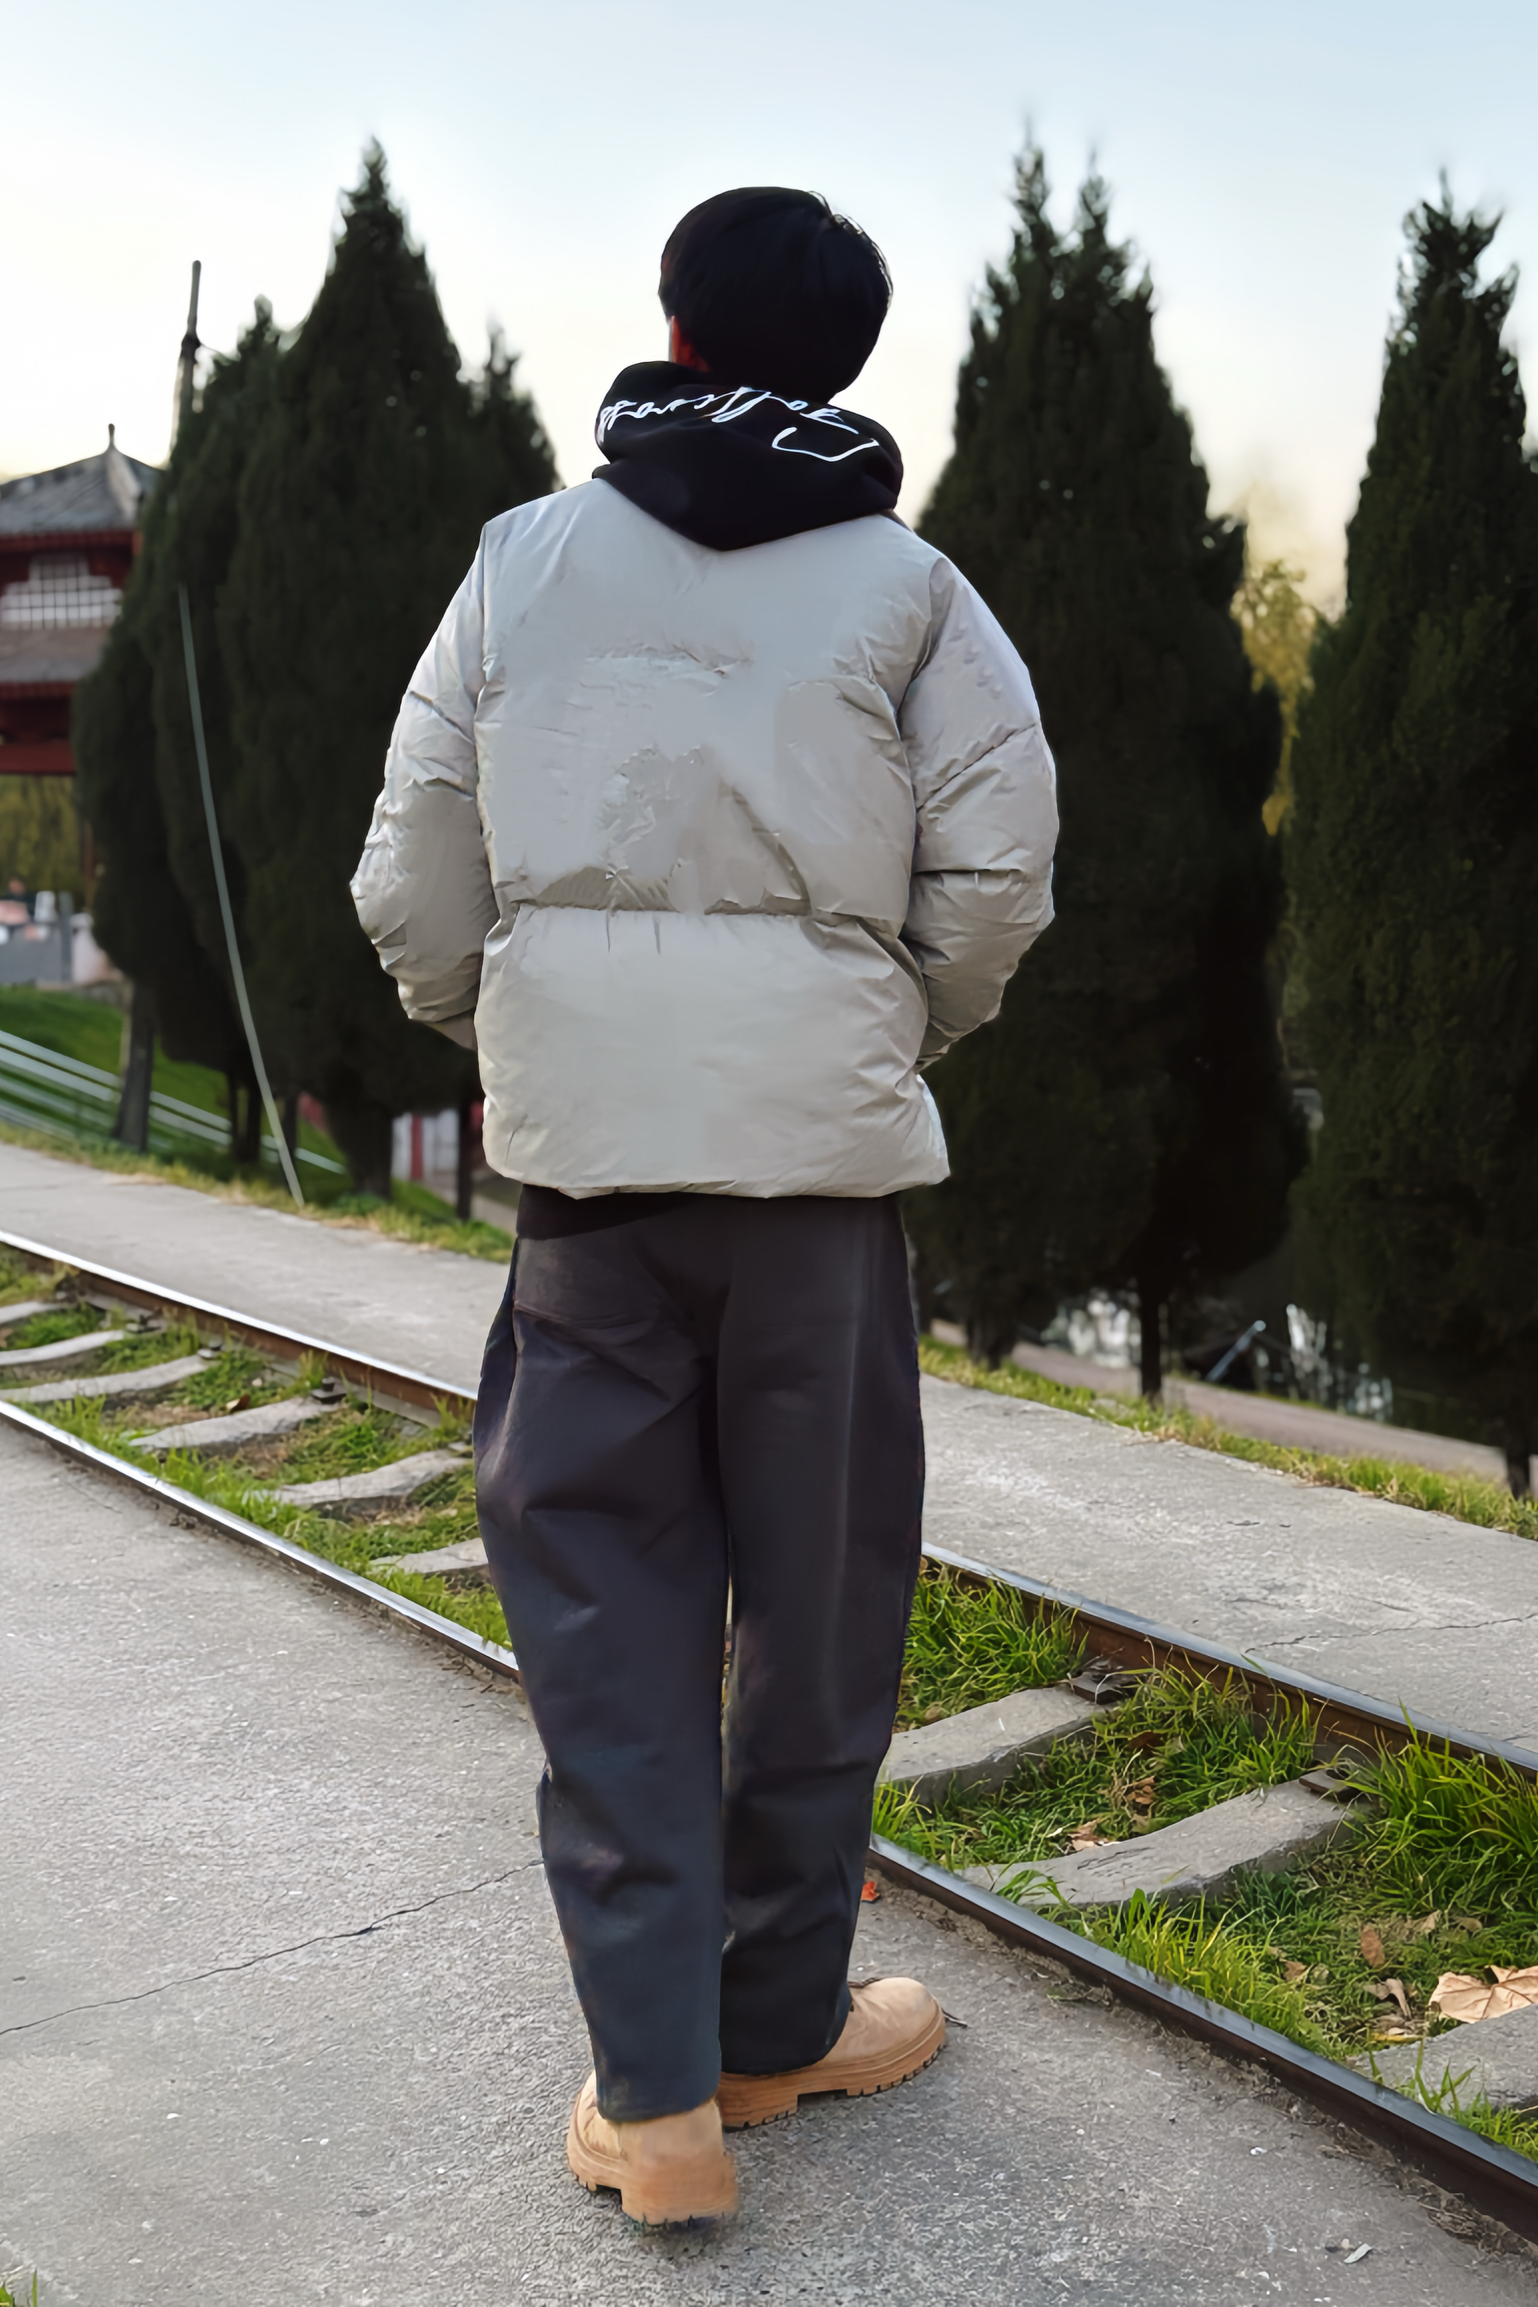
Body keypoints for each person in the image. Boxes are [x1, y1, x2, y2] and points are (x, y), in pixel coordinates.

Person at [353, 187, 1057, 2230]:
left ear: (669, 329)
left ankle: (656, 2104)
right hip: (816, 1196)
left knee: (605, 1621)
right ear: (846, 359)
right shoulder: (914, 591)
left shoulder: (519, 564)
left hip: (590, 1194)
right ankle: (778, 2025)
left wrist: (523, 1022)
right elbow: (998, 875)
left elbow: (411, 872)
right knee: (819, 1614)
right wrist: (875, 1031)